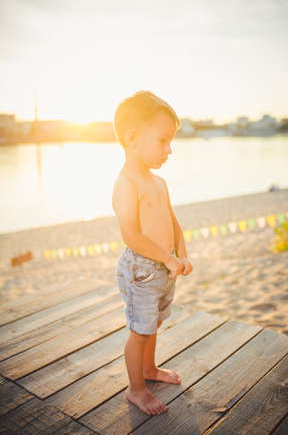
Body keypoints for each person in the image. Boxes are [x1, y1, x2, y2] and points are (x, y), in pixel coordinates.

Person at [112, 90, 193, 416]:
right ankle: (136, 389)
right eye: (162, 141)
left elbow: (173, 221)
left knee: (154, 324)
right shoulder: (126, 183)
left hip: (164, 266)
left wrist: (181, 254)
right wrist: (168, 258)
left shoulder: (158, 182)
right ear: (133, 139)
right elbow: (131, 234)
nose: (169, 149)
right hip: (141, 269)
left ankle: (149, 369)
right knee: (139, 330)